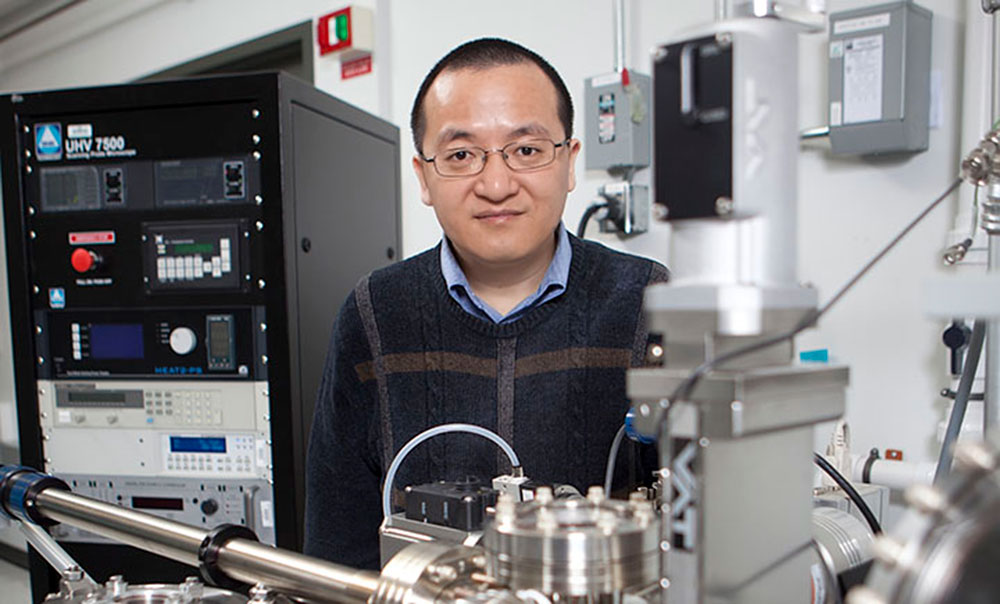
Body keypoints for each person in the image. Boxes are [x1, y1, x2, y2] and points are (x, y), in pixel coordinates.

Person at [304, 37, 668, 570]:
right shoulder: (375, 312)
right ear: (424, 175)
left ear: (569, 163)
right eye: (461, 155)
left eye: (526, 150)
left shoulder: (647, 301)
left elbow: (700, 529)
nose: (496, 184)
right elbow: (337, 545)